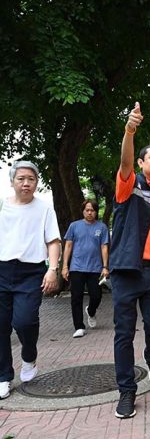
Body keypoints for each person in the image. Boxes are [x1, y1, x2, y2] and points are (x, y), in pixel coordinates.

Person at [109, 102, 150, 419]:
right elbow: (124, 162)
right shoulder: (129, 185)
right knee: (124, 333)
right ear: (141, 162)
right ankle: (127, 391)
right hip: (126, 271)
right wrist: (130, 130)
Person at [0, 161, 61, 400]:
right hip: (2, 270)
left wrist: (52, 269)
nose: (26, 183)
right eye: (21, 178)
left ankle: (29, 357)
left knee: (24, 321)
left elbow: (53, 241)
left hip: (31, 272)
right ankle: (4, 376)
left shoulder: (44, 209)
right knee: (1, 326)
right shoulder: (2, 206)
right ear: (12, 181)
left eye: (31, 179)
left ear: (36, 182)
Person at [62, 199, 110, 338]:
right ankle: (79, 326)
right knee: (76, 297)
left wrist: (105, 266)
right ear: (83, 211)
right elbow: (68, 246)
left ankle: (91, 311)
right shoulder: (74, 226)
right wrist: (65, 266)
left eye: (92, 210)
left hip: (95, 268)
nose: (89, 213)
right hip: (77, 267)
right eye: (87, 210)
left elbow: (104, 247)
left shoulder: (102, 227)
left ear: (96, 212)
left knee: (96, 295)